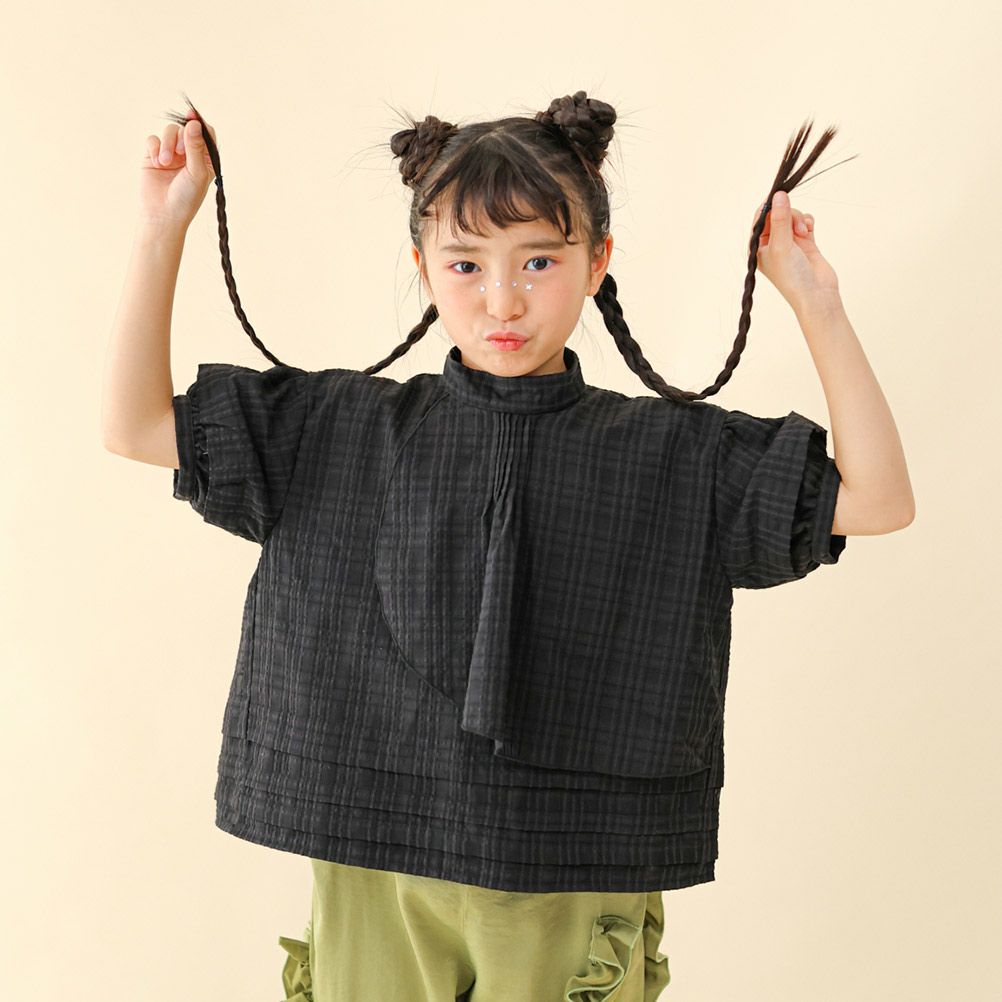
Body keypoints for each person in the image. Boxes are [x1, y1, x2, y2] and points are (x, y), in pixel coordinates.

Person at [101, 90, 915, 1002]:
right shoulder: (332, 428)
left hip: (575, 858)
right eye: (465, 264)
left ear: (598, 261)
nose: (502, 300)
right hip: (376, 854)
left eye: (539, 261)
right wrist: (160, 230)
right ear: (422, 267)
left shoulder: (675, 454)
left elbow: (878, 500)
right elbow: (135, 425)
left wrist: (815, 300)